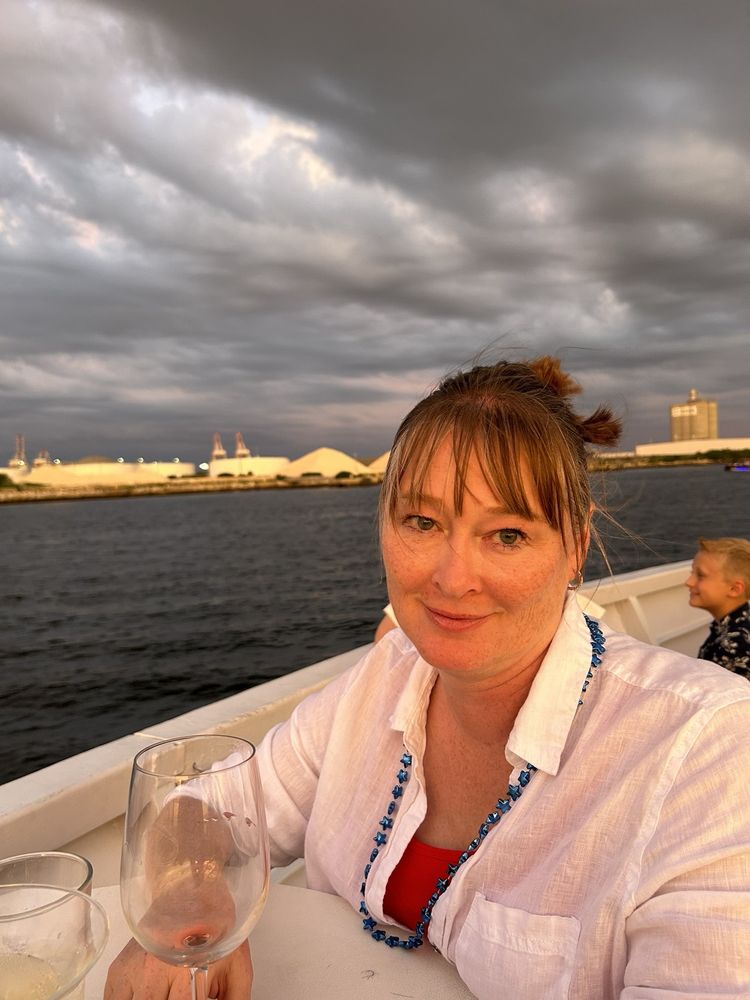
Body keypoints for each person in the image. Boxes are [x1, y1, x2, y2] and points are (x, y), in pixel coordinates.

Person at [106, 356, 750, 1000]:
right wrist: (191, 908)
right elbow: (200, 812)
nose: (452, 577)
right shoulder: (381, 679)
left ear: (576, 547)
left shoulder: (707, 746)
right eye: (422, 522)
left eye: (507, 534)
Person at [686, 536, 750, 679]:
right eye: (692, 573)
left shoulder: (733, 645)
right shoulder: (734, 628)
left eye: (700, 575)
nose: (688, 582)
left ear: (734, 589)